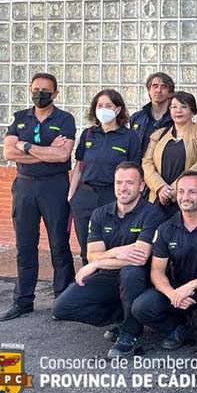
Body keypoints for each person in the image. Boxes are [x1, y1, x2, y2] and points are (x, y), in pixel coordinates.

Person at [52, 162, 164, 358]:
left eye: (130, 183)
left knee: (131, 272)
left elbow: (139, 258)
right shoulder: (100, 214)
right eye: (119, 182)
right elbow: (92, 253)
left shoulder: (152, 213)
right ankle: (123, 317)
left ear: (141, 186)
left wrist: (97, 263)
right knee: (62, 307)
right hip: (109, 276)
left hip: (143, 279)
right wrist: (116, 252)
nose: (123, 188)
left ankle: (130, 333)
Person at [0, 73, 76, 321]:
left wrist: (27, 147)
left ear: (55, 93)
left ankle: (63, 301)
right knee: (25, 246)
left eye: (45, 90)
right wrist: (46, 151)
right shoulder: (20, 117)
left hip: (54, 187)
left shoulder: (64, 119)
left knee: (59, 245)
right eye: (36, 89)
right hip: (24, 187)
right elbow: (9, 152)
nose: (40, 94)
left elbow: (62, 157)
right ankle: (23, 301)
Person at [132, 171, 197, 351]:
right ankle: (179, 327)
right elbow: (157, 271)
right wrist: (172, 294)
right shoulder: (166, 228)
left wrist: (193, 285)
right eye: (181, 192)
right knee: (141, 307)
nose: (185, 197)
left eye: (192, 192)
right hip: (180, 289)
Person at [69, 89, 141, 264]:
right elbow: (79, 165)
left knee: (111, 245)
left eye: (108, 105)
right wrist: (71, 196)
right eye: (99, 105)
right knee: (87, 247)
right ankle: (88, 282)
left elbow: (135, 169)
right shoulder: (88, 134)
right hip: (85, 196)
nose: (103, 109)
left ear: (118, 109)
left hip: (112, 196)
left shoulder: (129, 136)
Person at [143, 91, 197, 218]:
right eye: (174, 107)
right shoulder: (159, 134)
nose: (178, 110)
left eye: (183, 106)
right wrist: (160, 187)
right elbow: (146, 162)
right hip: (158, 198)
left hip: (187, 198)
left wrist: (176, 189)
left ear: (192, 110)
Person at [129, 72, 174, 153]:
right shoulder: (136, 118)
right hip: (140, 164)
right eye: (155, 86)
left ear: (170, 93)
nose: (158, 90)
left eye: (164, 87)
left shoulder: (176, 118)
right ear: (149, 91)